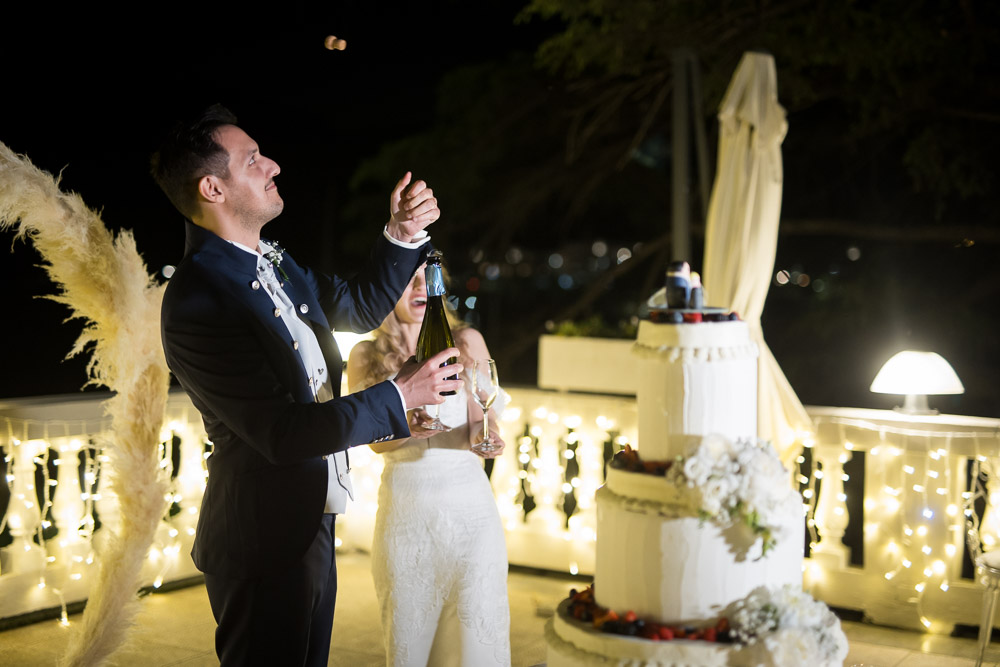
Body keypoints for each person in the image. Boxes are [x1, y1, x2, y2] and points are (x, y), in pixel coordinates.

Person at [151, 104, 462, 667]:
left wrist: (402, 234)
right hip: (261, 541)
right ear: (212, 189)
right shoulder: (200, 300)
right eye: (253, 160)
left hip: (312, 521)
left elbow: (358, 304)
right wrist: (399, 395)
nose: (273, 165)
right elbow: (280, 432)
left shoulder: (276, 263)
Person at [347, 265, 511, 667]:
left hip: (471, 515)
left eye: (427, 277)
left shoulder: (466, 341)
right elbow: (373, 444)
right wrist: (405, 427)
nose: (420, 286)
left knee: (476, 638)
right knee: (409, 639)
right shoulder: (365, 355)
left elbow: (479, 423)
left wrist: (487, 439)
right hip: (406, 517)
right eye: (408, 277)